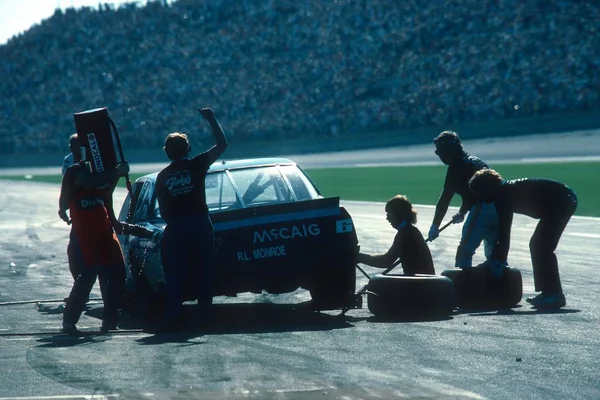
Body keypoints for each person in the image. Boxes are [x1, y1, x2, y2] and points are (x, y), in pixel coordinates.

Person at [155, 107, 228, 331]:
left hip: (176, 227)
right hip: (199, 223)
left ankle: (174, 316)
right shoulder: (196, 164)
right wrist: (212, 119)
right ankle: (205, 316)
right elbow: (222, 145)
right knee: (204, 270)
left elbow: (164, 210)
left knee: (175, 274)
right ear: (188, 148)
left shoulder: (162, 176)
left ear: (167, 153)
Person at [59, 158, 151, 334]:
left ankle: (110, 319)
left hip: (106, 234)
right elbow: (87, 182)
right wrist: (117, 171)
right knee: (87, 277)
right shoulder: (76, 173)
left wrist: (118, 172)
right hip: (86, 237)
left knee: (118, 274)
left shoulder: (99, 178)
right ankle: (69, 321)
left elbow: (106, 188)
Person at [468, 169, 578, 310]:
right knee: (539, 245)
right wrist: (498, 256)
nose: (480, 198)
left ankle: (553, 295)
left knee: (541, 246)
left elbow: (504, 233)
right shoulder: (503, 192)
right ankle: (549, 293)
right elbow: (503, 235)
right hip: (561, 200)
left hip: (562, 201)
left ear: (488, 188)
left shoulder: (503, 196)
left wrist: (498, 259)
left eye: (480, 193)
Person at [427, 131, 498, 269]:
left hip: (482, 209)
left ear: (451, 150)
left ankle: (463, 285)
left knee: (464, 252)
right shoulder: (473, 161)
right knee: (494, 254)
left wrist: (435, 226)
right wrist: (462, 212)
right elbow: (470, 194)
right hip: (499, 210)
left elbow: (445, 199)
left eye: (440, 151)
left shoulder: (457, 167)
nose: (439, 155)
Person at [357, 195, 435, 275]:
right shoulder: (411, 231)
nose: (387, 218)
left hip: (419, 283)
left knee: (377, 283)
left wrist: (360, 257)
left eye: (389, 214)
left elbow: (386, 261)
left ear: (397, 214)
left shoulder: (405, 234)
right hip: (422, 280)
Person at [61, 134, 85, 283]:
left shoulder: (91, 158)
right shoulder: (68, 160)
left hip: (87, 206)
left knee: (76, 249)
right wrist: (63, 206)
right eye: (71, 145)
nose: (72, 148)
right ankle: (80, 283)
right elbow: (66, 184)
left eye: (74, 145)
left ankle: (82, 285)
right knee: (75, 250)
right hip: (76, 208)